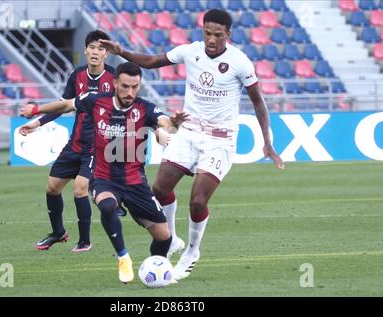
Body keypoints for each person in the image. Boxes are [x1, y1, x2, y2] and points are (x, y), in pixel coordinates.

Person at [100, 9, 285, 280]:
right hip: (187, 131)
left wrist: (267, 142)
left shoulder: (240, 62)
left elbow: (258, 101)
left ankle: (192, 251)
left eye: (218, 35)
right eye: (207, 33)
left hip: (219, 139)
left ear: (228, 35)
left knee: (198, 201)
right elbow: (151, 61)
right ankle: (172, 238)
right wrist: (122, 52)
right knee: (160, 188)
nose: (211, 39)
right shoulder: (190, 51)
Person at [21, 62, 188, 283]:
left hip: (135, 181)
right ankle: (123, 258)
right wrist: (36, 112)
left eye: (135, 87)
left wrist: (171, 126)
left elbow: (163, 122)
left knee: (163, 237)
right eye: (125, 86)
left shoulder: (144, 108)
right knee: (107, 205)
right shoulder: (96, 101)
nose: (130, 92)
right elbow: (65, 105)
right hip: (104, 177)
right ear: (115, 83)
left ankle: (155, 269)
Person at [19, 30, 122, 253]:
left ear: (107, 53)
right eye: (92, 47)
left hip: (97, 147)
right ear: (85, 50)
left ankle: (85, 240)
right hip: (74, 143)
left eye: (100, 48)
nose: (95, 52)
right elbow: (62, 105)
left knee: (79, 188)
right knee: (52, 188)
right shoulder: (77, 76)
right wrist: (36, 124)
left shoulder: (114, 79)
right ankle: (58, 233)